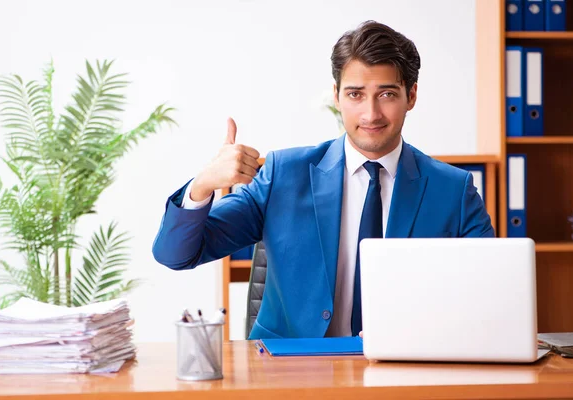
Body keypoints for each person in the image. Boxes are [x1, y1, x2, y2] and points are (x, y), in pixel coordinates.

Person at [152, 20, 495, 340]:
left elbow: (490, 298)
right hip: (293, 374)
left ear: (412, 96)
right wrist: (202, 185)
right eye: (355, 94)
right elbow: (176, 255)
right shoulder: (283, 174)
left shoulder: (453, 189)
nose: (371, 113)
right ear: (337, 95)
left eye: (387, 94)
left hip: (408, 368)